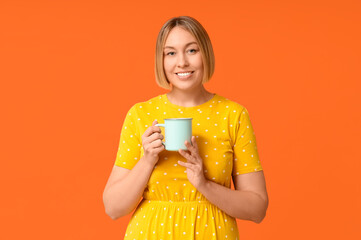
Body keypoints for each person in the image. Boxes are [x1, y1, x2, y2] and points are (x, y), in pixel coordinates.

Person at [103, 16, 268, 240]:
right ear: (161, 61)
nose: (182, 62)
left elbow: (257, 208)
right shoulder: (140, 115)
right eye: (171, 53)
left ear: (205, 54)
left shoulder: (233, 115)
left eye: (191, 50)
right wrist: (148, 159)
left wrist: (204, 184)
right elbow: (113, 208)